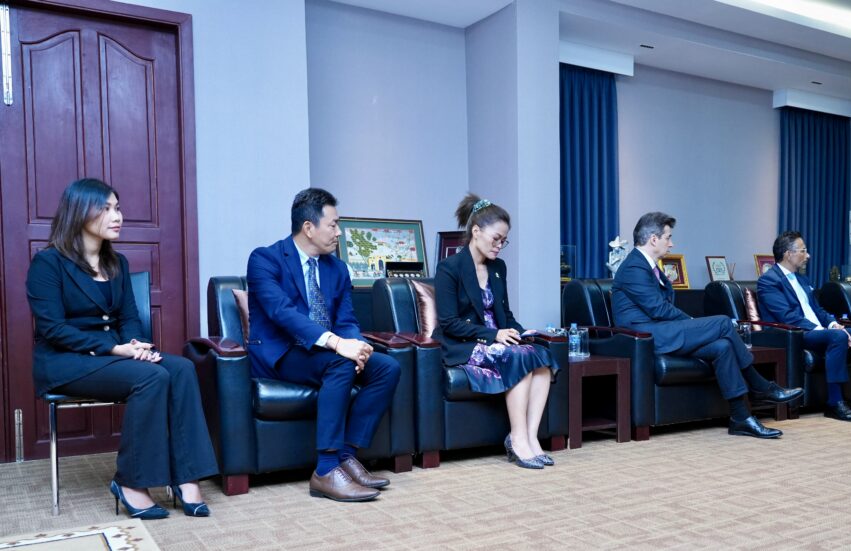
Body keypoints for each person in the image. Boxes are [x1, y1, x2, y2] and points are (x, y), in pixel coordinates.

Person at [27, 178, 217, 520]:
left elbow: (128, 317)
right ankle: (130, 481)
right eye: (106, 208)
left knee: (182, 368)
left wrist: (134, 345)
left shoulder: (118, 264)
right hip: (64, 361)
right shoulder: (48, 263)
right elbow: (52, 329)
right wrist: (115, 349)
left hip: (115, 355)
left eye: (117, 208)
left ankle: (186, 476)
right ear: (79, 212)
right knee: (152, 378)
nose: (117, 216)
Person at [246, 188, 400, 502]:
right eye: (333, 224)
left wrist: (357, 346)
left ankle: (346, 455)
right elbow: (281, 313)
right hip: (283, 352)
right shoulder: (264, 259)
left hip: (326, 351)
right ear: (308, 227)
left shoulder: (336, 268)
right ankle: (326, 470)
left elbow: (346, 318)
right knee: (340, 362)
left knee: (388, 368)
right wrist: (337, 344)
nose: (339, 232)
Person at [612, 212, 803, 439]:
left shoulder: (649, 267)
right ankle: (760, 385)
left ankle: (741, 417)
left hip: (662, 331)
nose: (671, 244)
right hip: (644, 337)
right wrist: (694, 324)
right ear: (653, 239)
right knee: (722, 322)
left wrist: (694, 326)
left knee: (722, 346)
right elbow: (658, 309)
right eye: (668, 237)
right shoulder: (634, 267)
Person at [434, 194, 559, 469]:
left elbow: (505, 315)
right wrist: (494, 335)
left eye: (504, 241)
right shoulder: (449, 268)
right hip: (463, 343)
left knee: (541, 356)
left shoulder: (498, 268)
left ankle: (531, 438)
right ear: (476, 231)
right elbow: (449, 323)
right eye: (496, 239)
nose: (500, 246)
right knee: (517, 357)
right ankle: (517, 439)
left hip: (498, 340)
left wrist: (523, 333)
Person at [757, 231, 851, 422]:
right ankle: (835, 403)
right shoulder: (768, 281)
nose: (808, 255)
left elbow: (818, 310)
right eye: (803, 251)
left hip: (820, 331)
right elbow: (787, 317)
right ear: (788, 254)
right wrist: (825, 330)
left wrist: (833, 323)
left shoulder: (803, 279)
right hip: (794, 334)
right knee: (838, 337)